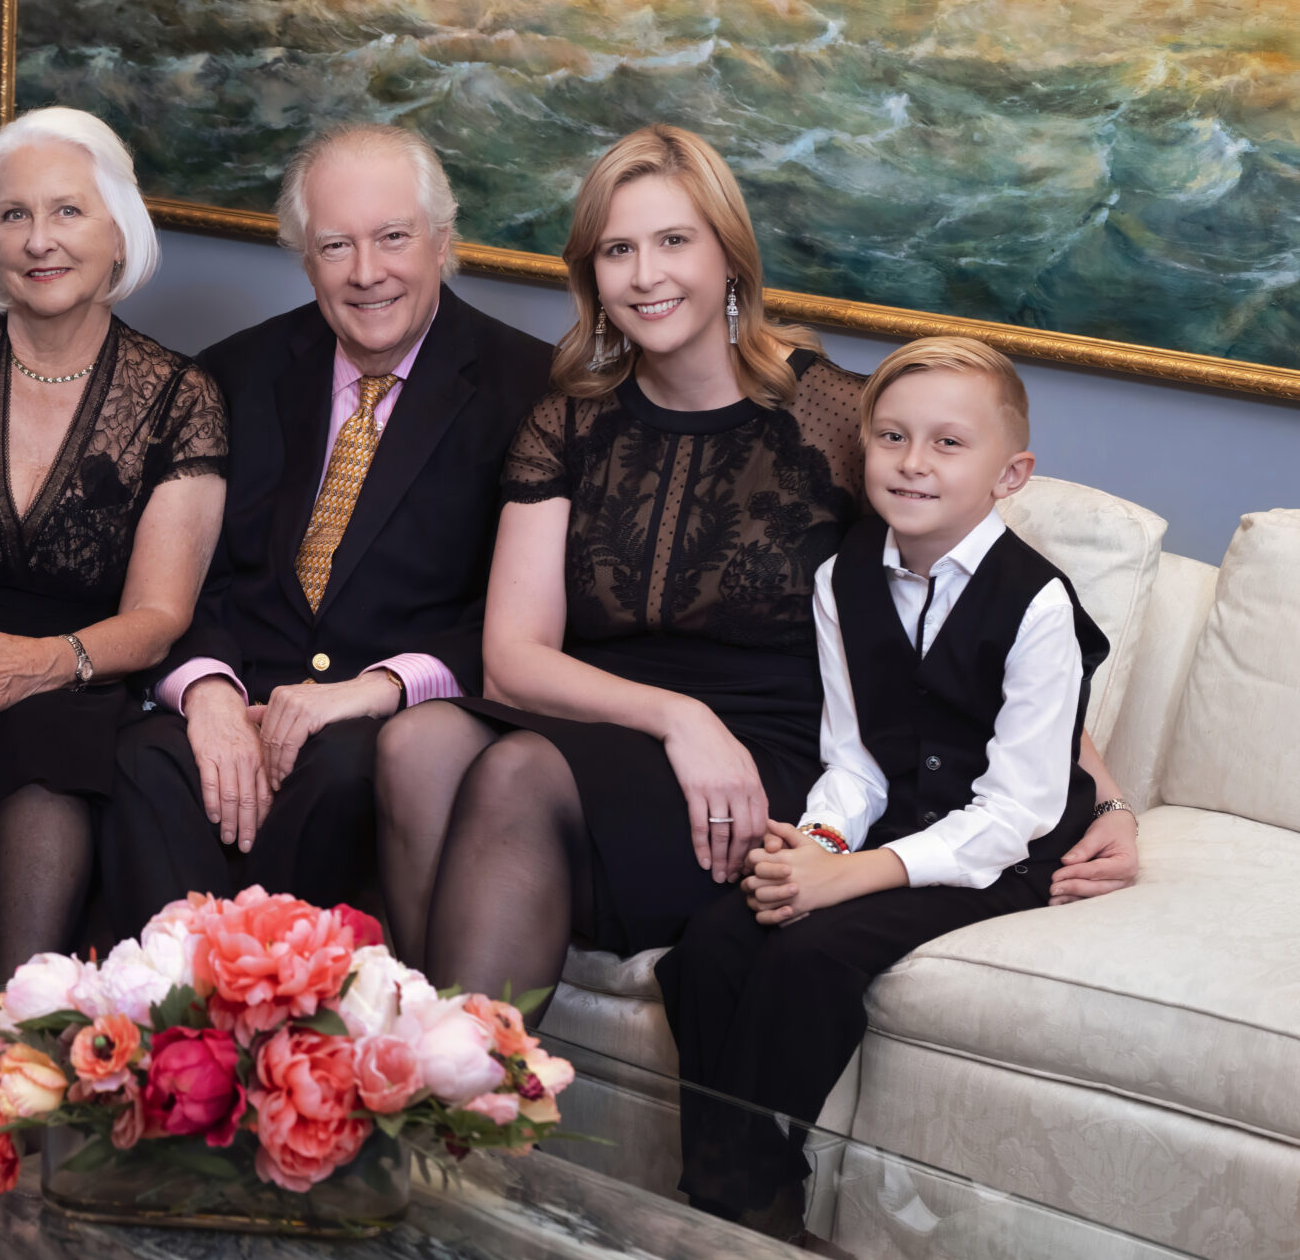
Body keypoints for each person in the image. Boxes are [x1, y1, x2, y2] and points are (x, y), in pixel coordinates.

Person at [374, 124, 1138, 1011]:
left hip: (764, 759)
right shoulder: (568, 422)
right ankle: (429, 1087)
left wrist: (1108, 801)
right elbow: (514, 657)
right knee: (416, 743)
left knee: (517, 772)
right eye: (618, 250)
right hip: (618, 722)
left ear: (730, 257)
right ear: (592, 276)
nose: (646, 275)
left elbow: (985, 608)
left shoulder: (839, 419)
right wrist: (677, 720)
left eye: (673, 242)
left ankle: (453, 1108)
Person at [659, 339, 1126, 1237]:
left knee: (810, 957)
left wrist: (850, 879)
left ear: (1011, 473)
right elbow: (858, 762)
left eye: (949, 444)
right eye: (893, 437)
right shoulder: (843, 578)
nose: (914, 463)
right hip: (897, 828)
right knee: (714, 941)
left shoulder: (1039, 605)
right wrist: (820, 847)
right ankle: (751, 1201)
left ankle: (728, 1214)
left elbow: (1016, 812)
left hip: (1006, 852)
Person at [101, 122, 552, 925]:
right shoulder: (233, 374)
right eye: (336, 246)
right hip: (244, 696)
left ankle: (275, 1026)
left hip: (390, 714)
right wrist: (205, 691)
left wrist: (378, 689)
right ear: (305, 258)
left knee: (344, 771)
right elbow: (187, 571)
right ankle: (165, 1030)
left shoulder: (532, 392)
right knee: (147, 759)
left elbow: (523, 618)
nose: (367, 273)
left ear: (443, 243)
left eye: (393, 239)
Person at [0, 107, 226, 987]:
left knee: (43, 797)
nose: (40, 240)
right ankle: (3, 1080)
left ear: (120, 230)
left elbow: (159, 617)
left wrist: (33, 664)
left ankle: (13, 1070)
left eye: (68, 211)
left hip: (79, 680)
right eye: (14, 215)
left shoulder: (180, 397)